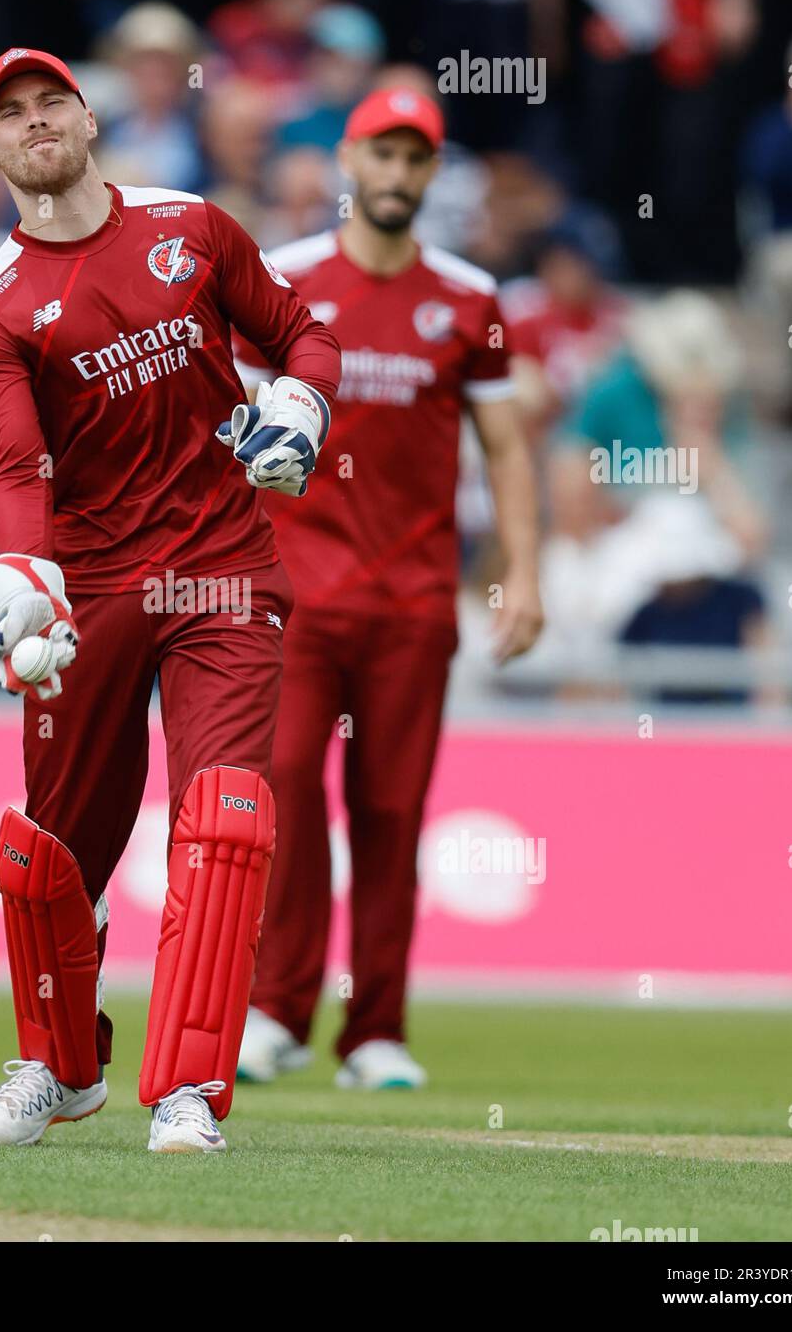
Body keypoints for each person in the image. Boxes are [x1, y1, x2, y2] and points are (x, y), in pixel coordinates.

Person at [0, 47, 340, 1152]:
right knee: (49, 857)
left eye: (51, 103)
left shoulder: (193, 226)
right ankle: (58, 1069)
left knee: (220, 817)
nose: (36, 123)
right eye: (10, 115)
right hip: (95, 586)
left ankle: (185, 1089)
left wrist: (304, 404)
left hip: (224, 565)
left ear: (86, 117)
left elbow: (299, 332)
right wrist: (28, 583)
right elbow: (19, 466)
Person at [234, 88, 543, 1089]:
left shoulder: (469, 298)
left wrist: (523, 575)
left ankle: (374, 1031)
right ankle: (276, 1010)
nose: (398, 176)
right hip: (295, 598)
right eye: (382, 155)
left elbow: (504, 446)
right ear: (348, 161)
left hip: (413, 604)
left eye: (417, 160)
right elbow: (223, 425)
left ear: (432, 173)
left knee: (391, 814)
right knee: (281, 792)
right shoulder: (279, 281)